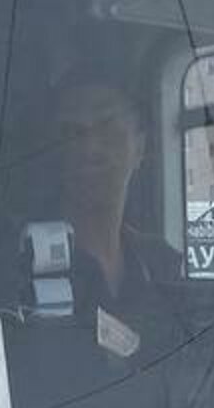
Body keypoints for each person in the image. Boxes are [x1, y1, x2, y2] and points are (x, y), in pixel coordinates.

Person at [47, 76, 182, 313]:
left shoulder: (164, 265)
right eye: (72, 132)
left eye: (108, 128)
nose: (90, 148)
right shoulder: (22, 266)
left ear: (139, 148)